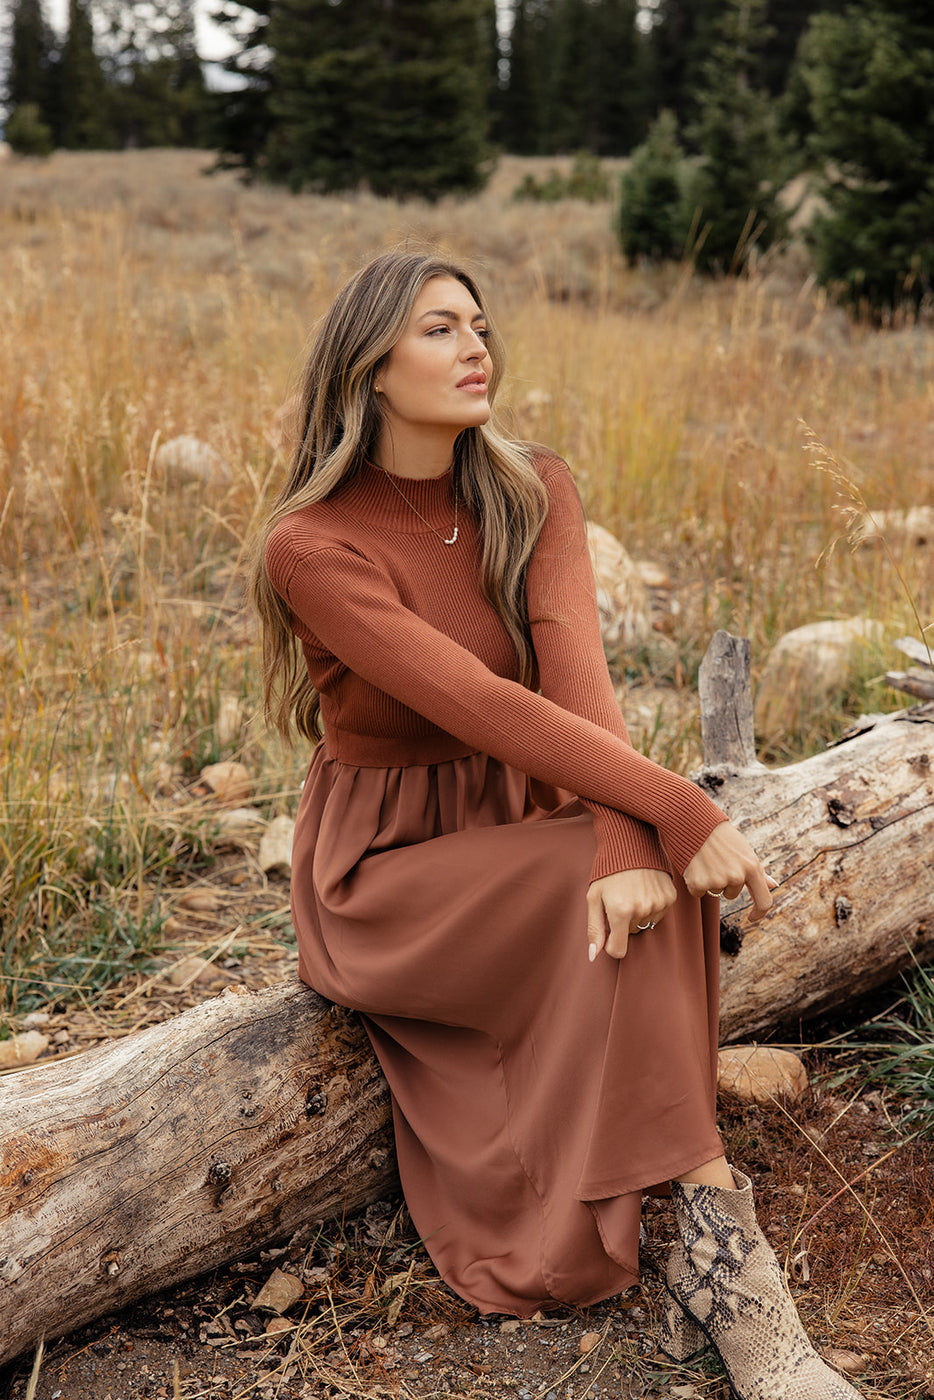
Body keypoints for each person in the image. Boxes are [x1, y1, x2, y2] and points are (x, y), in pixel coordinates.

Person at [252, 250, 863, 1400]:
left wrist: (634, 840)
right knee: (651, 878)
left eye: (479, 324)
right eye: (438, 329)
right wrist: (678, 807)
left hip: (527, 808)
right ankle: (738, 1287)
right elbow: (478, 703)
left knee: (655, 892)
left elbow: (575, 674)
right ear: (370, 367)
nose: (476, 345)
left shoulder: (530, 485)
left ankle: (720, 1260)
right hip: (388, 871)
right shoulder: (311, 544)